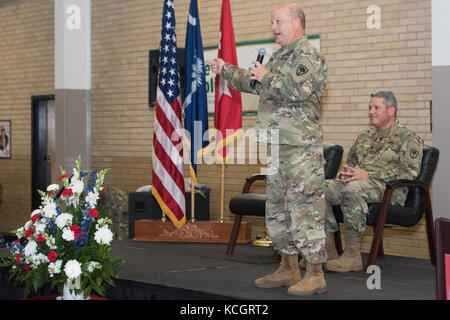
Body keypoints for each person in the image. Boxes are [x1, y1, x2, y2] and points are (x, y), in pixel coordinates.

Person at [208, 3, 329, 295]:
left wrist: (266, 76)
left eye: (277, 21)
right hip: (276, 148)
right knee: (278, 209)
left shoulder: (308, 56)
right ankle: (288, 267)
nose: (273, 26)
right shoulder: (279, 57)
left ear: (296, 22)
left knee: (304, 211)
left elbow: (296, 90)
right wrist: (226, 70)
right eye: (271, 21)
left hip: (300, 148)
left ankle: (315, 274)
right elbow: (256, 84)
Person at [324, 90, 424, 272]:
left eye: (376, 107)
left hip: (388, 190)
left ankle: (352, 256)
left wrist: (370, 176)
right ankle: (328, 252)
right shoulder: (364, 136)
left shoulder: (408, 138)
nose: (371, 111)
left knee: (353, 189)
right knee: (316, 188)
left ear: (391, 110)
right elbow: (352, 163)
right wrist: (346, 174)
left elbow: (410, 172)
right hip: (359, 183)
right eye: (370, 107)